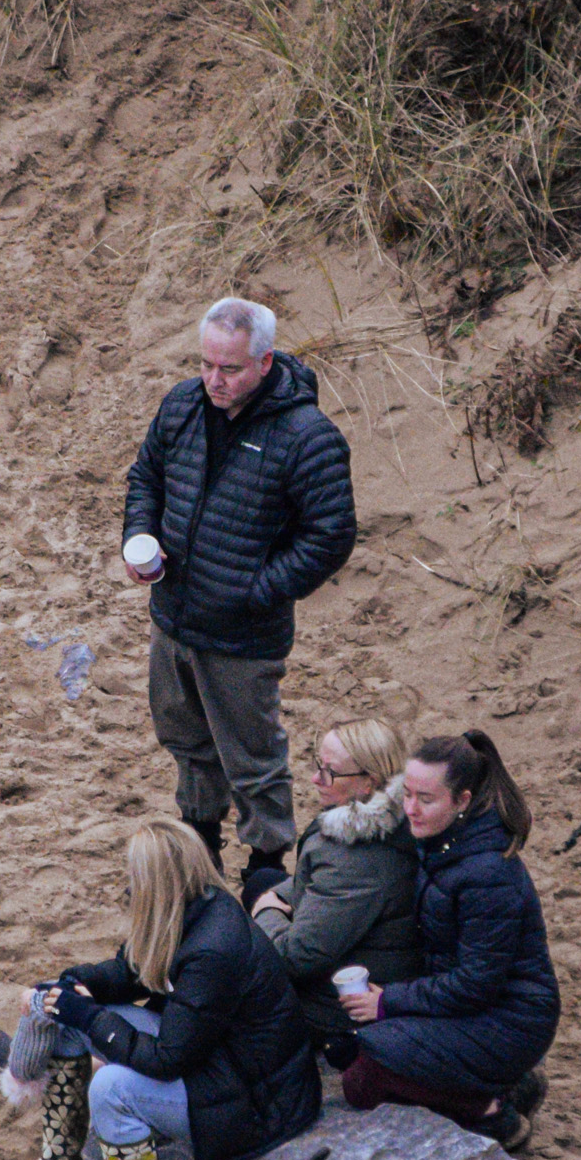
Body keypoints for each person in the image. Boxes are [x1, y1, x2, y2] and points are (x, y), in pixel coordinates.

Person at [0, 821, 321, 1160]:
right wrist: (73, 985)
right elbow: (132, 970)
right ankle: (63, 1156)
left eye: (134, 875)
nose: (128, 885)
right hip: (220, 1061)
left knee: (111, 1088)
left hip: (255, 1100)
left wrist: (88, 1013)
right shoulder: (192, 908)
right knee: (67, 1020)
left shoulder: (212, 950)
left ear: (157, 881)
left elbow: (166, 1060)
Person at [123, 298, 356, 907]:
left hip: (244, 638)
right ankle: (199, 850)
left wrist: (258, 590)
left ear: (264, 362)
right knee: (186, 742)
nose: (214, 380)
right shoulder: (182, 405)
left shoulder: (308, 437)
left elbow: (331, 536)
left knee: (254, 759)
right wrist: (136, 537)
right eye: (206, 364)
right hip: (173, 618)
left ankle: (265, 868)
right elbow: (145, 477)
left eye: (228, 368)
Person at [337, 731, 556, 1150]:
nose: (411, 810)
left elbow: (477, 984)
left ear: (462, 801)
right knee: (356, 1058)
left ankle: (493, 1113)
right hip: (469, 1005)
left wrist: (389, 1002)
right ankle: (510, 1084)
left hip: (512, 1020)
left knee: (365, 1077)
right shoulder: (441, 839)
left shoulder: (488, 875)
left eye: (426, 799)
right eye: (407, 794)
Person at [249, 718, 420, 1053]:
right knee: (263, 881)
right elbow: (319, 881)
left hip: (333, 1010)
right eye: (318, 766)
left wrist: (267, 910)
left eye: (329, 772)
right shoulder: (383, 823)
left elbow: (294, 959)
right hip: (359, 952)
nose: (315, 779)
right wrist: (279, 894)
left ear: (368, 783)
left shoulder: (358, 858)